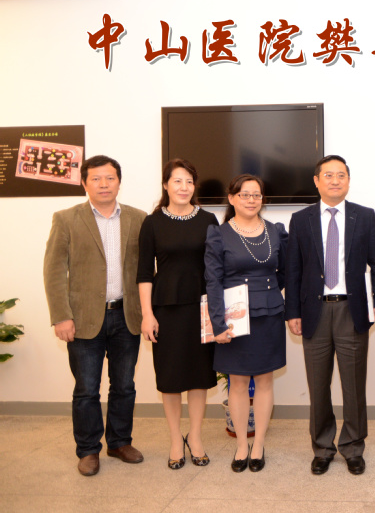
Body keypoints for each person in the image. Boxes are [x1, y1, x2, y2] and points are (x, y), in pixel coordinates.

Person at [43, 155, 147, 476]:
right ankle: (88, 450)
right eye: (96, 179)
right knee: (87, 389)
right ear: (84, 183)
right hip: (82, 319)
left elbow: (147, 269)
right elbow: (54, 270)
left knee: (124, 385)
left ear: (119, 181)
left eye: (110, 178)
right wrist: (61, 315)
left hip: (126, 315)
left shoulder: (138, 218)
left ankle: (119, 442)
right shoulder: (66, 219)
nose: (104, 184)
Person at [285, 155, 375, 476]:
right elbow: (293, 269)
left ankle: (353, 447)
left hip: (351, 310)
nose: (335, 180)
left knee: (354, 385)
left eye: (341, 175)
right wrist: (292, 311)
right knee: (318, 386)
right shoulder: (300, 219)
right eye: (328, 175)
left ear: (348, 180)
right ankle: (322, 447)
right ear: (316, 181)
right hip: (313, 311)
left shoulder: (364, 216)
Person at [137, 159, 219, 470]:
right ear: (166, 185)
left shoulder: (209, 220)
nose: (184, 187)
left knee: (199, 377)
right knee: (170, 379)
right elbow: (144, 273)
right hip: (166, 309)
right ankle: (175, 439)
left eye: (189, 181)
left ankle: (195, 436)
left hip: (202, 308)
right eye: (177, 181)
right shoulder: (152, 222)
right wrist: (147, 314)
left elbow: (217, 268)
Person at [204, 174, 288, 473]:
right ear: (232, 198)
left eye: (257, 195)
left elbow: (284, 272)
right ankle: (242, 444)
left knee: (264, 381)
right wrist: (218, 324)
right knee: (238, 382)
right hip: (234, 318)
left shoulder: (276, 231)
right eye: (245, 194)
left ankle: (259, 443)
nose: (251, 200)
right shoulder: (219, 234)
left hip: (268, 313)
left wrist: (267, 294)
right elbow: (213, 281)